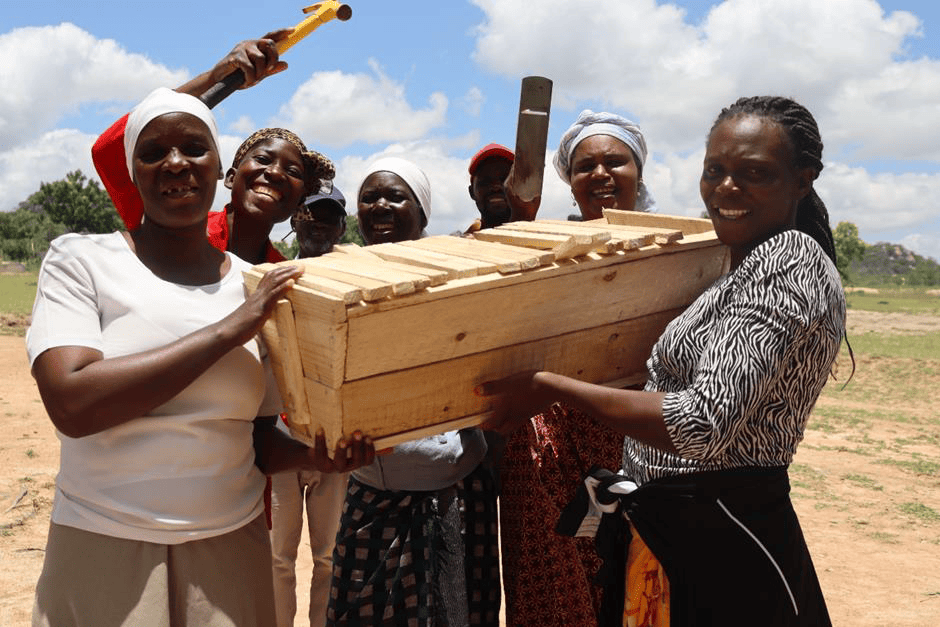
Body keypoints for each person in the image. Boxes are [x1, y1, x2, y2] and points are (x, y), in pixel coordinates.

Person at [483, 95, 845, 626]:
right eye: (715, 170)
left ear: (802, 180)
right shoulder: (735, 264)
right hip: (675, 529)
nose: (727, 188)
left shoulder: (787, 260)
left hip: (724, 533)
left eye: (753, 173)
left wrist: (554, 387)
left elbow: (699, 425)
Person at [26, 87, 373, 627]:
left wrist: (318, 455)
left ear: (216, 169)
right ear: (133, 171)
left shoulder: (257, 286)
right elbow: (73, 404)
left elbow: (257, 439)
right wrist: (228, 331)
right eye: (152, 152)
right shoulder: (82, 260)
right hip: (104, 541)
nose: (175, 164)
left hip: (229, 547)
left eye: (193, 148)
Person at [497, 111, 657, 626]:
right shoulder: (545, 252)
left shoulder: (676, 250)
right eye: (586, 166)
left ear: (639, 171)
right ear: (570, 182)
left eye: (616, 161)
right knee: (558, 593)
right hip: (549, 450)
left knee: (634, 588)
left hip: (637, 444)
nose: (602, 174)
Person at [327, 157, 501, 627]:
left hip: (460, 493)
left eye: (395, 196)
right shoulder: (337, 280)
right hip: (375, 496)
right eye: (369, 197)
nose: (380, 205)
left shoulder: (459, 276)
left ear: (422, 213)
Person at [91, 31, 335, 265]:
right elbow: (109, 149)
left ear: (300, 202)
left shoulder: (282, 276)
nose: (275, 173)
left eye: (292, 171)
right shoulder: (172, 225)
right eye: (262, 159)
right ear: (229, 176)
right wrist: (215, 79)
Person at [270, 185, 349, 627]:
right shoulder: (270, 273)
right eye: (308, 214)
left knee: (331, 557)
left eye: (328, 216)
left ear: (341, 225)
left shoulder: (353, 277)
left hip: (333, 439)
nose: (317, 222)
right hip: (280, 438)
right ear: (294, 221)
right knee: (276, 558)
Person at [553, 109, 657, 220]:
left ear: (639, 173)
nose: (599, 173)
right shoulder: (542, 237)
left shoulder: (669, 236)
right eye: (586, 167)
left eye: (614, 163)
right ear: (570, 178)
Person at [464, 143, 515, 234]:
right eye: (485, 181)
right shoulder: (456, 244)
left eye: (505, 179)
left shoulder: (544, 242)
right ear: (472, 192)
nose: (496, 187)